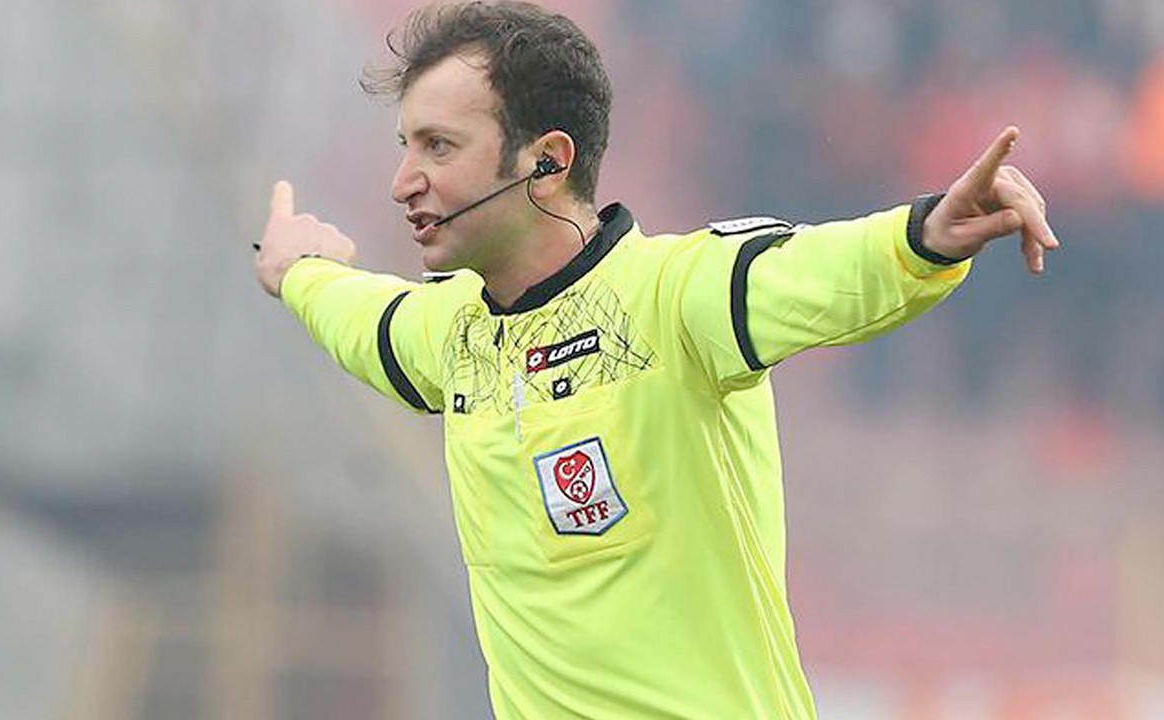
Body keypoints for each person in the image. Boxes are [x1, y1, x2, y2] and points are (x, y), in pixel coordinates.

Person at [253, 2, 1059, 717]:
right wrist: (300, 272)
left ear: (547, 160)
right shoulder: (451, 335)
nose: (404, 181)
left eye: (439, 146)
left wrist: (922, 236)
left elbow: (815, 273)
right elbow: (366, 322)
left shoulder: (676, 296)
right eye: (406, 146)